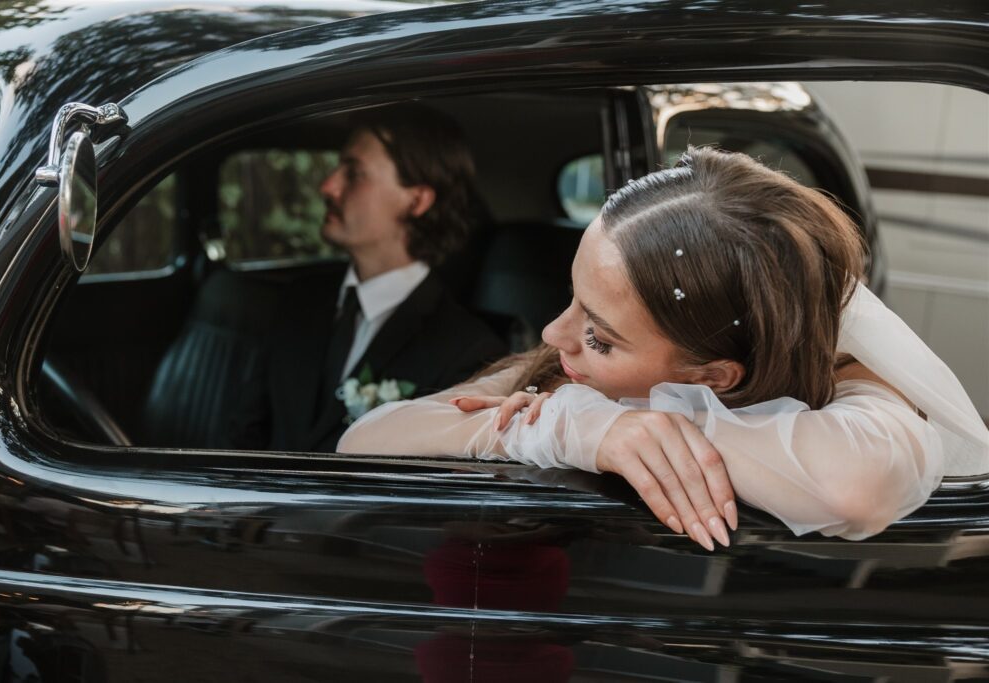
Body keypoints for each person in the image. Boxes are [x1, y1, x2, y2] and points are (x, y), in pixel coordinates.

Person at [338, 146, 989, 548]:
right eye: (571, 297)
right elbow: (360, 441)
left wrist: (646, 424)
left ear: (714, 373)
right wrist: (571, 426)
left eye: (598, 334)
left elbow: (857, 486)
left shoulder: (863, 382)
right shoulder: (568, 382)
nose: (552, 335)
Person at [229, 105, 506, 452]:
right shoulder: (297, 299)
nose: (328, 186)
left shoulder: (467, 351)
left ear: (416, 200)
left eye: (354, 172)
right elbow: (246, 431)